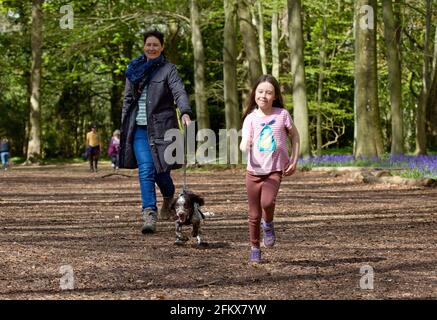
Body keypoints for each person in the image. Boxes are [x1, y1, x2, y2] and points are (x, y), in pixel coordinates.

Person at [119, 30, 192, 234]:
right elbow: (127, 99)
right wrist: (125, 124)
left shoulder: (169, 69)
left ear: (162, 47)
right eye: (148, 44)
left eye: (155, 45)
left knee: (161, 171)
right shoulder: (133, 69)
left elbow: (179, 91)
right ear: (144, 46)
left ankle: (169, 196)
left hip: (163, 127)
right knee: (146, 169)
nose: (151, 48)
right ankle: (149, 213)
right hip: (140, 129)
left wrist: (185, 112)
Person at [240, 75, 300, 264]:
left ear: (274, 96)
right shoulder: (250, 118)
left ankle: (269, 223)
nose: (263, 95)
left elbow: (295, 137)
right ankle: (255, 248)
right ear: (254, 94)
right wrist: (246, 143)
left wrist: (294, 160)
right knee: (253, 214)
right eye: (260, 91)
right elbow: (243, 143)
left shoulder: (281, 114)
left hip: (274, 170)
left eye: (268, 92)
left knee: (267, 202)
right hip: (253, 172)